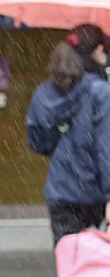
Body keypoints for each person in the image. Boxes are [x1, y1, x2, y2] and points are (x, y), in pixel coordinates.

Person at [27, 24, 110, 245]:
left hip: (61, 192)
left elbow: (37, 142)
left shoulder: (44, 92)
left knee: (71, 268)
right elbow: (106, 147)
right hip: (97, 195)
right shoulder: (101, 92)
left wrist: (63, 139)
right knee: (101, 270)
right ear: (97, 52)